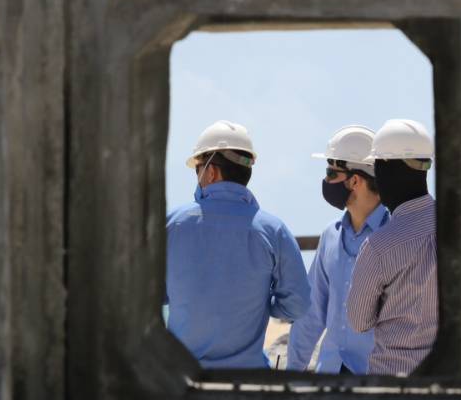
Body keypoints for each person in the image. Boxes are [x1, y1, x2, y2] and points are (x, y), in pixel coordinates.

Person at [165, 120, 310, 369]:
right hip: (247, 380)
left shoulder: (172, 225)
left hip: (180, 377)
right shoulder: (273, 231)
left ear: (211, 172)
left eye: (198, 169)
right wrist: (263, 304)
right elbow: (298, 306)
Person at [287, 126, 390, 374]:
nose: (326, 181)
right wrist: (291, 373)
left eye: (331, 172)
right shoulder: (330, 237)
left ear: (355, 180)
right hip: (329, 376)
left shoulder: (396, 238)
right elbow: (312, 313)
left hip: (378, 384)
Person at [346, 119, 437, 376]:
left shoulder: (378, 246)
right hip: (450, 385)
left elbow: (358, 321)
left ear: (386, 170)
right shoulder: (459, 229)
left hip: (393, 386)